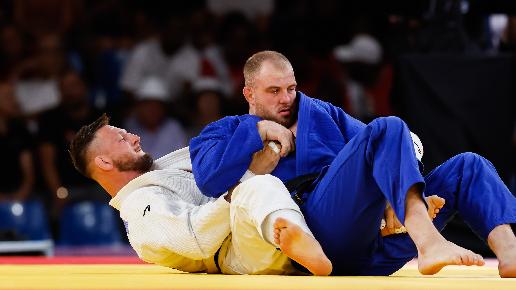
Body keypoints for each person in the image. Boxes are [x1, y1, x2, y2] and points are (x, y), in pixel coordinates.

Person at [189, 50, 516, 277]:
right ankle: (428, 241)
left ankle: (509, 253)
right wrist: (257, 130)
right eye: (273, 91)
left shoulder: (320, 113)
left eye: (291, 88)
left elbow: (405, 144)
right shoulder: (225, 130)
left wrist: (391, 197)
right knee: (387, 126)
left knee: (468, 166)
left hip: (378, 243)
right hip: (317, 239)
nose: (286, 98)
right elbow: (208, 180)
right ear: (249, 94)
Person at [68, 114, 332, 275]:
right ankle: (296, 237)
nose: (135, 137)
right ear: (104, 163)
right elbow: (196, 237)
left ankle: (295, 234)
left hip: (252, 225)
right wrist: (250, 175)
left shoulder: (158, 172)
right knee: (258, 186)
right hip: (241, 253)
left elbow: (217, 166)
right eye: (122, 139)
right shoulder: (140, 209)